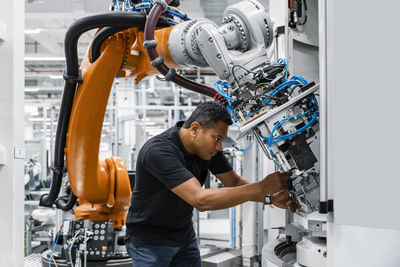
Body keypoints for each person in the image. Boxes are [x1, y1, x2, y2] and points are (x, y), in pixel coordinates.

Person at [125, 101, 298, 267]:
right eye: (217, 139)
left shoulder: (208, 150)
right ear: (195, 129)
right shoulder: (158, 151)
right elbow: (200, 200)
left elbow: (234, 182)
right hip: (150, 241)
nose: (220, 147)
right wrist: (261, 187)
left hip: (183, 235)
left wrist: (269, 197)